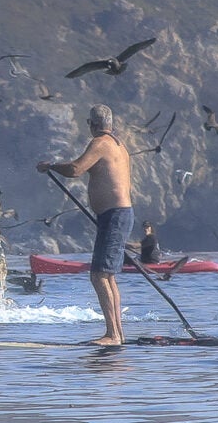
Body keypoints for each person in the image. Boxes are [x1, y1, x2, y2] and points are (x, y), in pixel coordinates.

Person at [37, 104, 133, 346]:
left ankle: (112, 335)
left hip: (114, 216)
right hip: (116, 215)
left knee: (99, 275)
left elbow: (76, 169)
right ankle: (118, 334)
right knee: (108, 276)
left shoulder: (101, 143)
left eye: (88, 124)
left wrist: (50, 167)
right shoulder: (119, 145)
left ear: (93, 124)